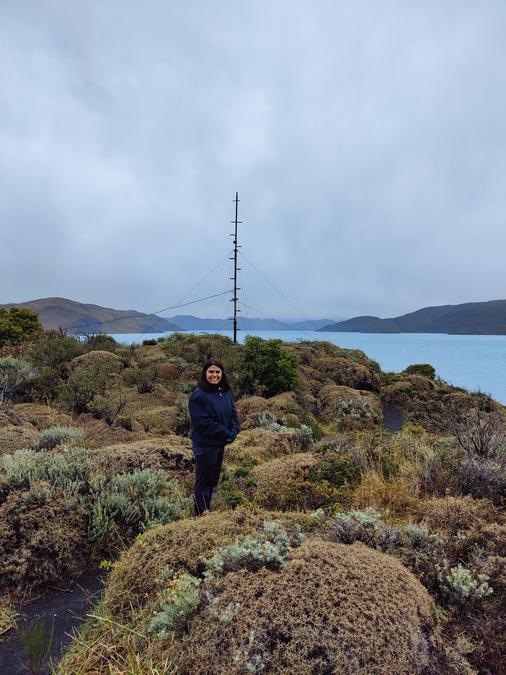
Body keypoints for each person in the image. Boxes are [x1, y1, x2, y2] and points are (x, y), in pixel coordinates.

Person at [188, 358, 240, 515]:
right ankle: (201, 514)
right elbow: (203, 423)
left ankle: (206, 510)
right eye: (211, 371)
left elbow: (233, 415)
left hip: (219, 445)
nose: (214, 375)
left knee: (212, 480)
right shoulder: (199, 395)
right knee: (203, 483)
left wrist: (234, 432)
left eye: (217, 372)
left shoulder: (224, 392)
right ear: (205, 373)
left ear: (222, 374)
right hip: (205, 446)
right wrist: (226, 433)